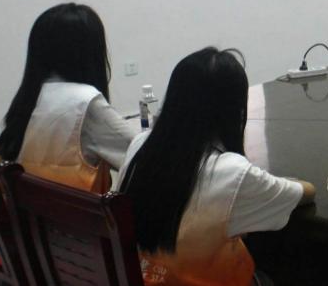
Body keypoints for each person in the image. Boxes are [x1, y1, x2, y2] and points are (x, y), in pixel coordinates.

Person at [118, 47, 315, 286]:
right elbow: (305, 193)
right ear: (234, 109)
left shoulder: (140, 144)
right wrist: (287, 182)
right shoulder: (232, 171)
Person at [0, 3, 138, 193]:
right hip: (79, 211)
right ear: (90, 52)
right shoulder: (85, 102)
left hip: (34, 209)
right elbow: (143, 156)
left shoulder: (30, 97)